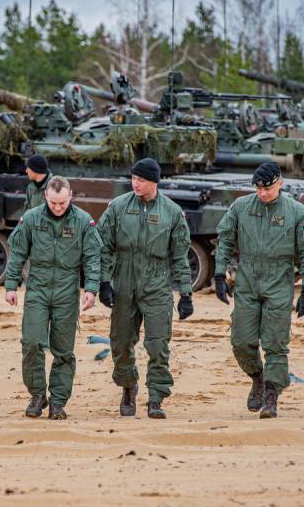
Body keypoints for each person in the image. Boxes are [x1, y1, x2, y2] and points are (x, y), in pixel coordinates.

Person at [214, 161, 304, 419]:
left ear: (280, 183)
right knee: (241, 341)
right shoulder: (241, 207)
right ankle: (258, 377)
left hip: (279, 281)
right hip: (247, 280)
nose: (262, 193)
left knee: (275, 343)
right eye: (258, 189)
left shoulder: (296, 211)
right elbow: (225, 238)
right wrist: (218, 273)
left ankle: (271, 396)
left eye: (268, 189)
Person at [98, 158, 194, 419]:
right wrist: (103, 282)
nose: (135, 184)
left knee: (158, 344)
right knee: (120, 342)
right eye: (133, 178)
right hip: (124, 281)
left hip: (157, 283)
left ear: (154, 181)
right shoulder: (118, 207)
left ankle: (156, 398)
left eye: (141, 179)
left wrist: (185, 293)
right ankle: (128, 387)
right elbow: (103, 246)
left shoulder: (172, 212)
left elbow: (180, 256)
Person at [4, 176, 102, 419]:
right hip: (37, 287)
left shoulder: (82, 221)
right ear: (46, 197)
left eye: (62, 203)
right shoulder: (32, 218)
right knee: (32, 343)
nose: (57, 208)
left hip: (67, 290)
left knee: (63, 350)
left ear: (70, 197)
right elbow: (17, 252)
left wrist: (91, 288)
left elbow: (92, 257)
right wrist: (11, 285)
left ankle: (58, 401)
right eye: (53, 203)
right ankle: (37, 395)